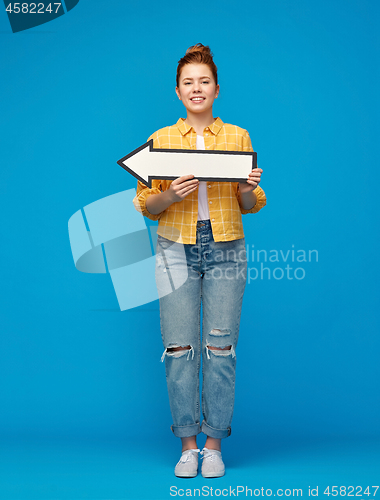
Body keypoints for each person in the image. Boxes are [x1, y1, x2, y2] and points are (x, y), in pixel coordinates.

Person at [133, 43, 266, 478]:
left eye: (203, 81)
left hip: (226, 245)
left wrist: (247, 188)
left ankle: (214, 444)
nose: (196, 88)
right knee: (179, 348)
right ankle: (188, 444)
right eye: (188, 82)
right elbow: (147, 206)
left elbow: (250, 203)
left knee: (221, 348)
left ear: (216, 89)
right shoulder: (161, 140)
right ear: (177, 91)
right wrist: (170, 194)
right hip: (175, 246)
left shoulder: (239, 137)